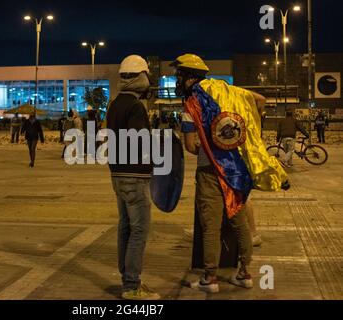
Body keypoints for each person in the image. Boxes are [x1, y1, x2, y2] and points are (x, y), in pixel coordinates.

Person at [172, 54, 287, 293]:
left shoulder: (191, 103)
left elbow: (191, 146)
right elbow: (261, 100)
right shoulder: (226, 90)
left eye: (178, 76)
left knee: (210, 226)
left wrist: (208, 144)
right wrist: (250, 128)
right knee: (239, 221)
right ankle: (245, 273)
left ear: (188, 77)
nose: (176, 80)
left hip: (208, 170)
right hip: (236, 170)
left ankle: (210, 278)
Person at [107, 55, 160, 300]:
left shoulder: (115, 104)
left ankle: (126, 279)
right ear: (140, 78)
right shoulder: (136, 107)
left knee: (125, 227)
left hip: (117, 174)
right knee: (139, 230)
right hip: (134, 176)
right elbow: (140, 142)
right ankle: (131, 285)